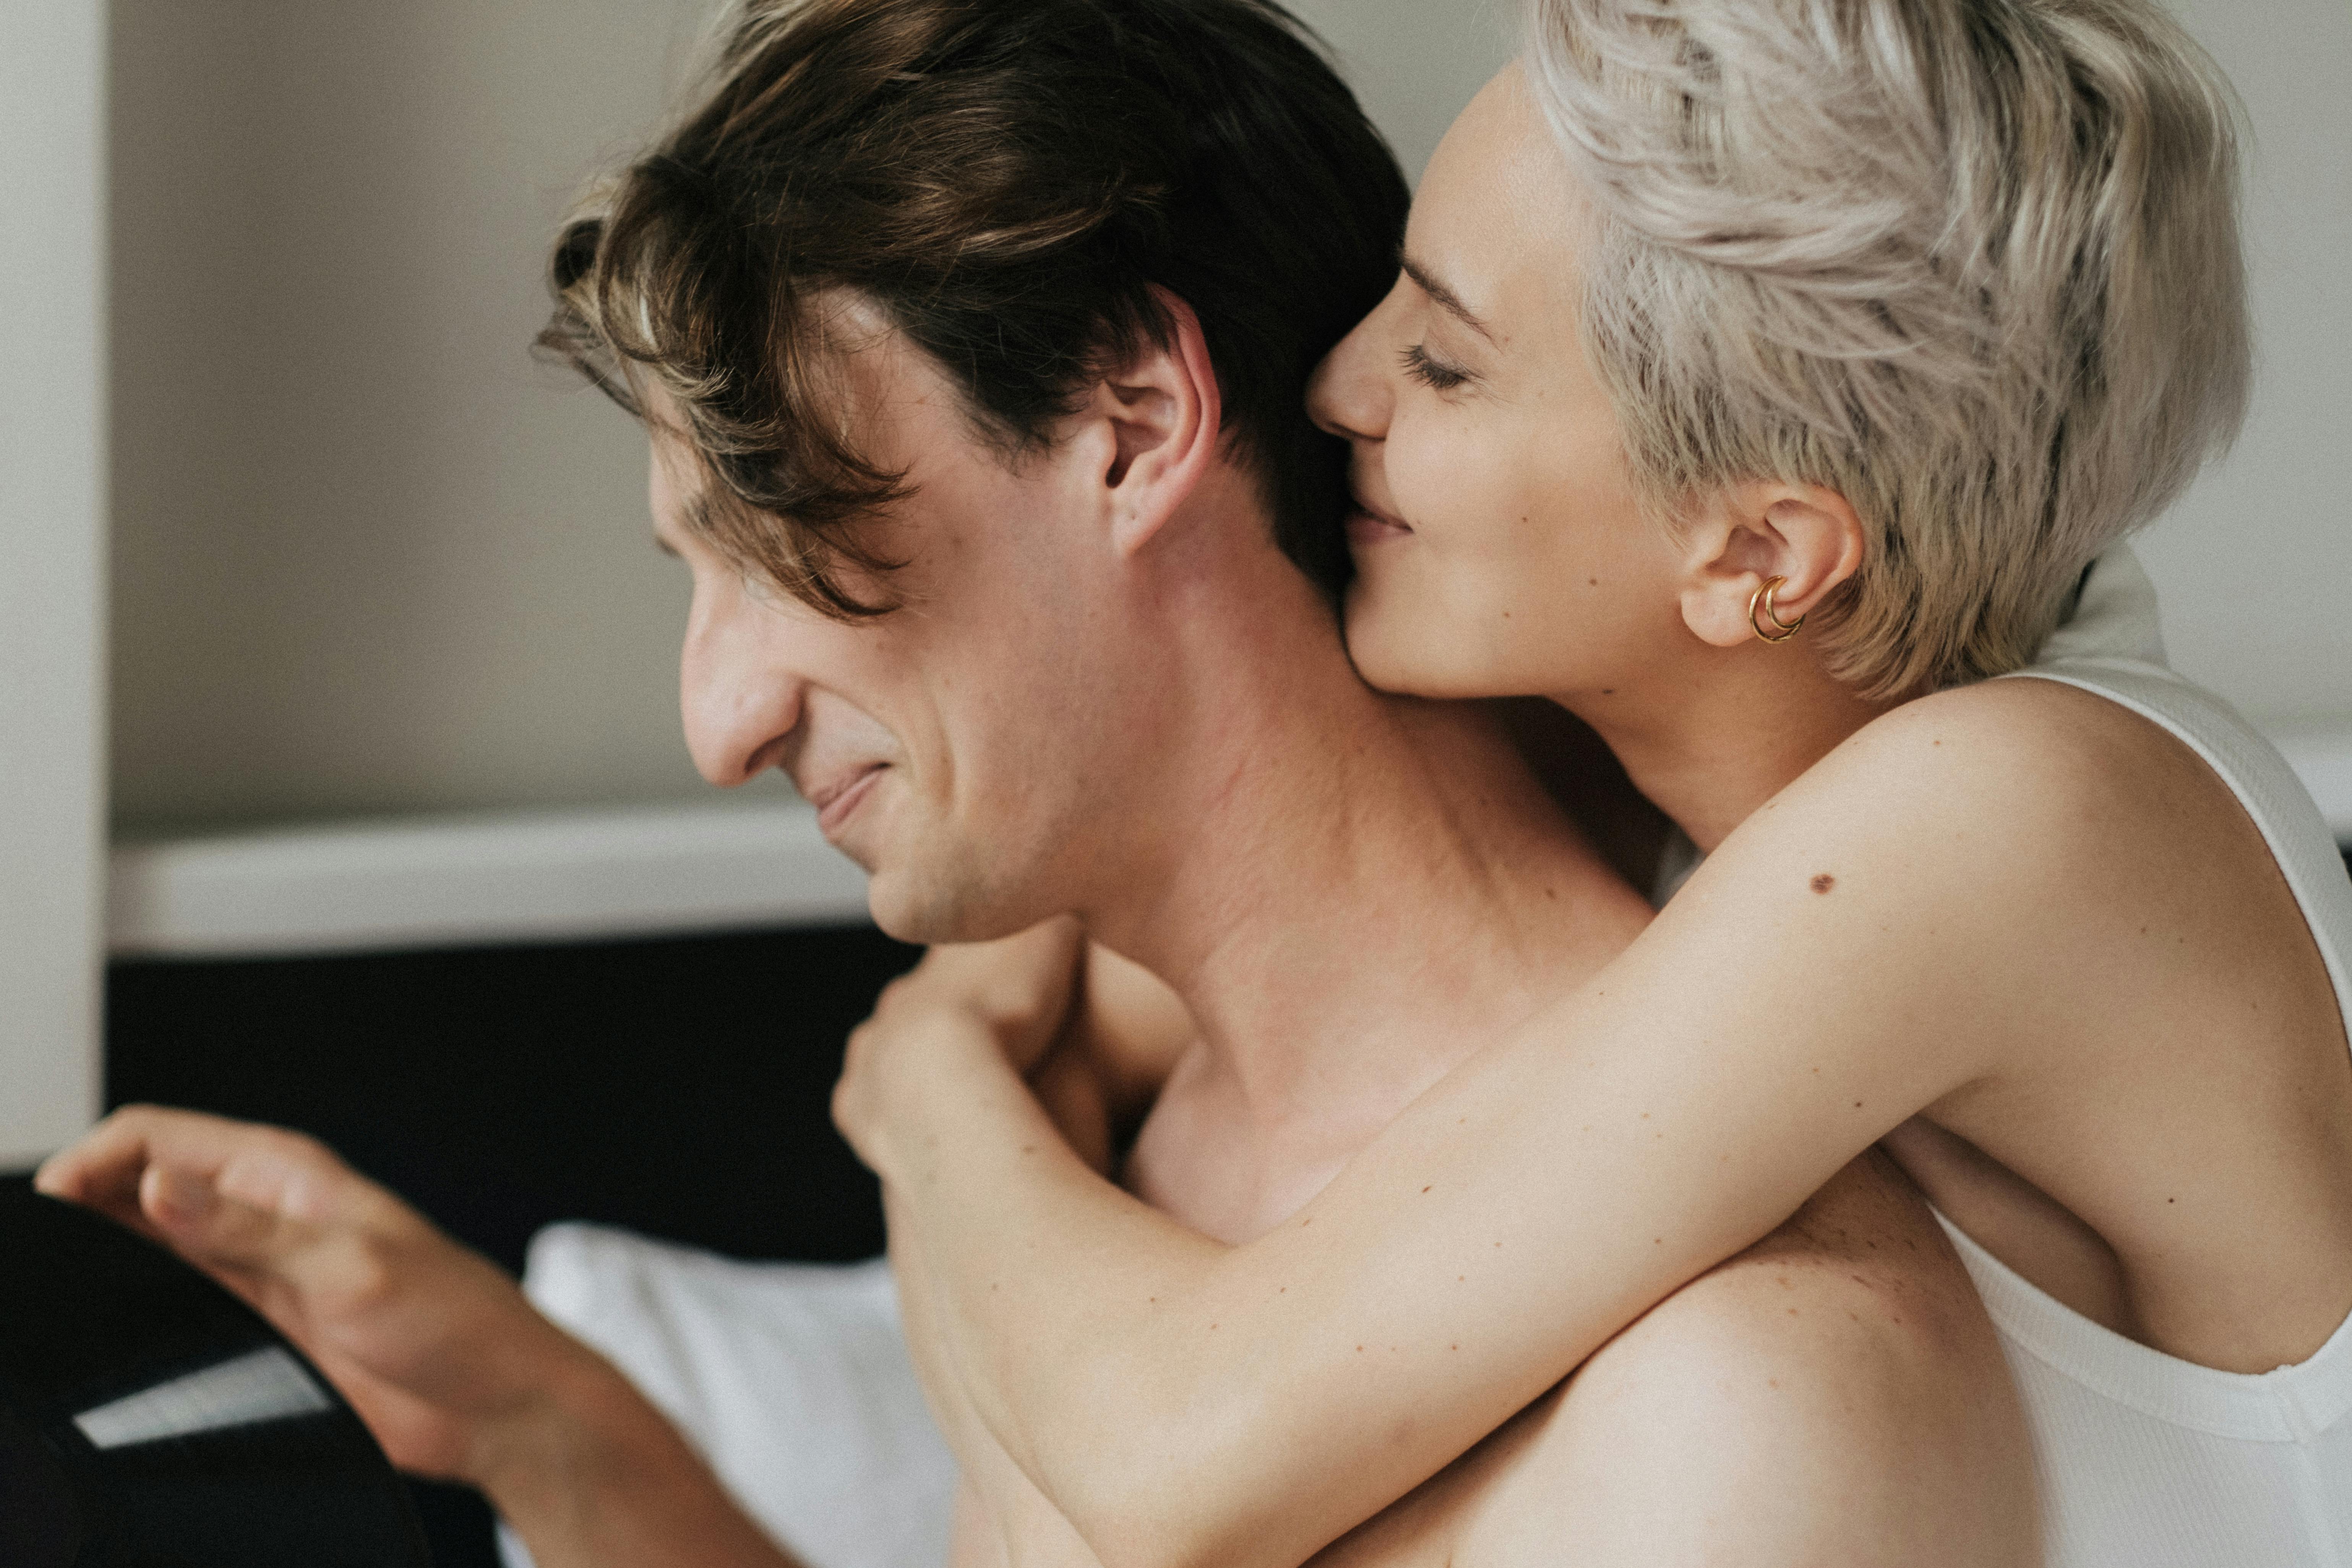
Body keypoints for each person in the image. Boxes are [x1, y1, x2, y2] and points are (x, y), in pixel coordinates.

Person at [37, 1, 2039, 1565]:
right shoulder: (1107, 1149)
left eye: (790, 528)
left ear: (1130, 418)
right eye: (697, 578)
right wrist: (548, 1423)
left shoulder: (1733, 1388)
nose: (718, 722)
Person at [829, 3, 2352, 1567]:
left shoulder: (2007, 814)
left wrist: (933, 1083)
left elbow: (1178, 1465)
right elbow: (1127, 990)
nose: (1339, 385)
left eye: (1442, 359)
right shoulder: (1734, 715)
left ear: (1761, 550)